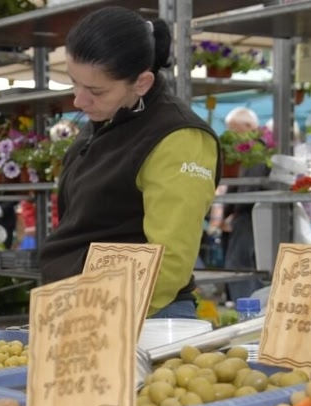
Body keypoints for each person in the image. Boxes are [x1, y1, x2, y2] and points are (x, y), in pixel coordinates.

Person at [38, 6, 221, 319]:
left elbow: (169, 261)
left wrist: (101, 320)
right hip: (83, 307)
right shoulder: (110, 119)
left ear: (142, 83)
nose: (79, 101)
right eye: (74, 82)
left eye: (96, 90)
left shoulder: (178, 138)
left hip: (137, 317)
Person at [221, 106, 269, 301]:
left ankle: (249, 311)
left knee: (240, 267)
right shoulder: (248, 151)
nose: (230, 134)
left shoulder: (258, 152)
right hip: (247, 215)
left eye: (234, 129)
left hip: (251, 215)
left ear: (249, 127)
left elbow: (249, 188)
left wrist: (231, 211)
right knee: (244, 266)